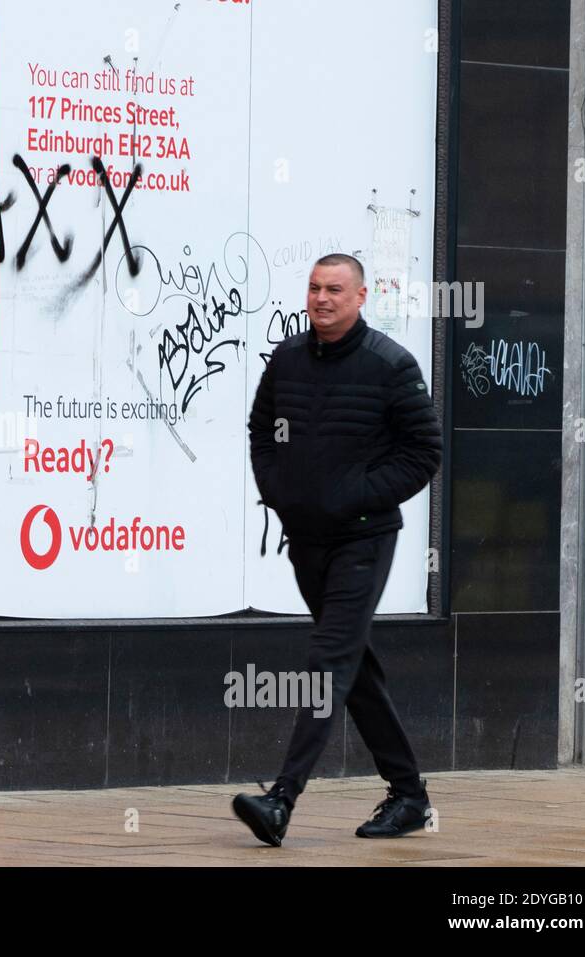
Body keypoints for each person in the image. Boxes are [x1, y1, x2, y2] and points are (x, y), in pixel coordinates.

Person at [233, 253, 442, 847]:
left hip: (364, 538)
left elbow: (424, 452)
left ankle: (281, 799)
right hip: (308, 540)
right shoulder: (288, 360)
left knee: (329, 659)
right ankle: (410, 797)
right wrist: (279, 491)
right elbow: (261, 430)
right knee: (353, 668)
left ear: (360, 297)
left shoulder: (390, 365)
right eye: (314, 287)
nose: (321, 298)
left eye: (334, 289)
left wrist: (359, 498)